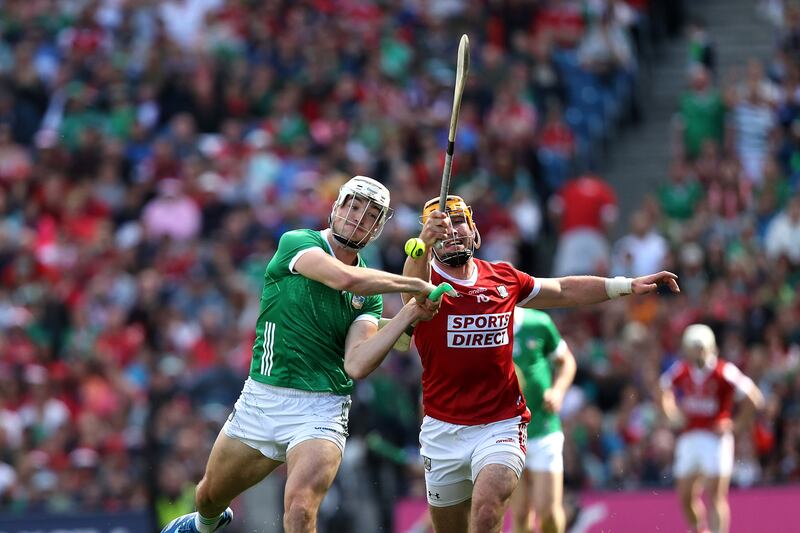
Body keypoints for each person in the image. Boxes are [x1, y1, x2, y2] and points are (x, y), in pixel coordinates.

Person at [162, 176, 441, 533]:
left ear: (377, 229)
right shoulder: (298, 243)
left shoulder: (369, 298)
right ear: (336, 207)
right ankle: (202, 525)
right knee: (208, 497)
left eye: (370, 215)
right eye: (353, 206)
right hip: (264, 397)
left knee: (299, 508)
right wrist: (414, 284)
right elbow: (344, 279)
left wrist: (409, 313)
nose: (358, 217)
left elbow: (356, 363)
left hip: (322, 408)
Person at [402, 195, 680, 533]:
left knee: (488, 510)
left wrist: (625, 285)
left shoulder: (503, 279)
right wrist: (421, 246)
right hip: (442, 428)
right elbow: (412, 294)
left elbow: (562, 290)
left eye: (459, 222)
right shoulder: (425, 284)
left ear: (474, 232)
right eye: (442, 227)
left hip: (500, 423)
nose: (452, 231)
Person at [657, 324, 764, 533]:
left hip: (715, 440)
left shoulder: (723, 370)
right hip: (690, 437)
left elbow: (754, 397)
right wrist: (671, 412)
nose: (694, 352)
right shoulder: (683, 369)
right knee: (685, 495)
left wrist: (737, 424)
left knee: (715, 495)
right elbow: (662, 388)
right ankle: (698, 530)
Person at [509, 307, 576, 533]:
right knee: (520, 514)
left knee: (547, 511)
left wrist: (558, 391)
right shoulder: (484, 326)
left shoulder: (538, 323)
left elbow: (566, 362)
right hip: (506, 432)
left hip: (544, 428)